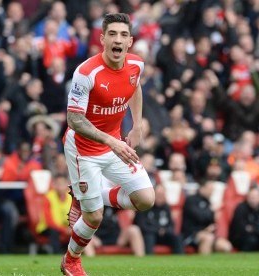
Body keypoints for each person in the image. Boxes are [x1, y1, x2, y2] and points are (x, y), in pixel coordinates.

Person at [61, 13, 155, 275]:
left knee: (146, 199)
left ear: (130, 41)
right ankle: (71, 260)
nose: (118, 39)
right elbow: (74, 119)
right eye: (112, 34)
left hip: (114, 144)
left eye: (124, 35)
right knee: (94, 218)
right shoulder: (86, 72)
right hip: (83, 148)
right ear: (102, 39)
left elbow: (135, 88)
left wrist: (136, 125)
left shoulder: (136, 65)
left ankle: (85, 198)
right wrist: (112, 141)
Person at [182, 180, 232, 255]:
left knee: (225, 246)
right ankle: (204, 265)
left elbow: (212, 221)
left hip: (209, 233)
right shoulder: (191, 200)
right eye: (210, 189)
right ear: (202, 188)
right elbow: (199, 217)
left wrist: (212, 227)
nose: (212, 192)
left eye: (213, 190)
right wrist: (212, 211)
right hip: (191, 235)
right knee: (208, 238)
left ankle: (219, 266)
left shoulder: (208, 202)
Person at [134, 184, 184, 255]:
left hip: (164, 235)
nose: (160, 197)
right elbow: (141, 225)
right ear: (153, 195)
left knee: (177, 237)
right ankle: (149, 260)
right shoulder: (144, 206)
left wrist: (165, 231)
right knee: (149, 237)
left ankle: (180, 259)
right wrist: (157, 230)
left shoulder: (166, 207)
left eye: (162, 194)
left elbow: (171, 225)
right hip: (149, 234)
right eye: (158, 194)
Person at [229, 187, 259, 251]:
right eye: (251, 197)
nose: (253, 199)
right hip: (242, 238)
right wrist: (256, 229)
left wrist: (254, 229)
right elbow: (241, 229)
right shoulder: (241, 208)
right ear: (247, 197)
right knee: (251, 241)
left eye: (256, 197)